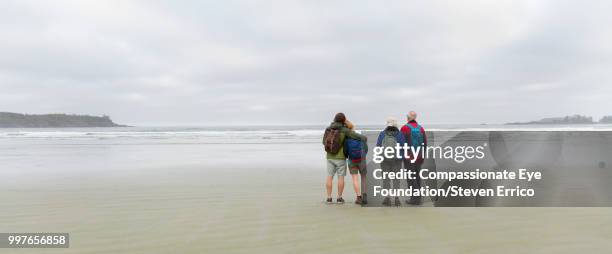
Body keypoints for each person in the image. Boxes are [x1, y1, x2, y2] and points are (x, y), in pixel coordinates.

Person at [323, 113, 367, 204]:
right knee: (340, 177)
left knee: (329, 177)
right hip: (341, 158)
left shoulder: (328, 128)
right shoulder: (344, 130)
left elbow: (324, 142)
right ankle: (339, 198)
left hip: (329, 157)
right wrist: (365, 138)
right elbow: (359, 137)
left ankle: (329, 198)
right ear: (343, 120)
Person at [376, 117, 406, 206]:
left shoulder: (382, 134)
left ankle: (387, 198)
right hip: (397, 160)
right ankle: (397, 199)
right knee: (396, 179)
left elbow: (378, 146)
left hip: (384, 160)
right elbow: (404, 146)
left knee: (386, 179)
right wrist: (401, 157)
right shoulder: (400, 134)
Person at [400, 111, 427, 205]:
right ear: (415, 118)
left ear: (407, 117)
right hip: (419, 156)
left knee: (411, 177)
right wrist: (423, 155)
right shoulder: (421, 128)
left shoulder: (404, 128)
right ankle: (418, 197)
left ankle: (415, 199)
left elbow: (400, 143)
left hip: (409, 157)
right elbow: (425, 143)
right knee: (417, 176)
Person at [344, 120, 369, 205]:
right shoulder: (360, 137)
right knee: (364, 178)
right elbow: (366, 149)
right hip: (362, 160)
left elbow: (345, 151)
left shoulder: (346, 139)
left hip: (352, 160)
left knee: (355, 179)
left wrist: (349, 156)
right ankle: (365, 196)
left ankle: (359, 198)